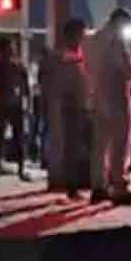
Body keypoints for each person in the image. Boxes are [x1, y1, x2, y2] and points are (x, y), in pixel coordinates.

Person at [85, 8, 131, 205]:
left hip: (97, 96)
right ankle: (120, 187)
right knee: (120, 143)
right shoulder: (116, 40)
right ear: (120, 21)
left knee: (100, 145)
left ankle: (99, 187)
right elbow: (124, 68)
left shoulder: (93, 39)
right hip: (117, 95)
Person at [42, 19, 91, 199]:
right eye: (79, 34)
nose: (81, 38)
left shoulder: (81, 55)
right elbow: (49, 83)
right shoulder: (59, 57)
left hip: (81, 106)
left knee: (76, 147)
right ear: (69, 35)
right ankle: (71, 186)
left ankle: (74, 184)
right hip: (67, 107)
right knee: (70, 147)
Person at [0, 38, 31, 181]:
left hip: (15, 105)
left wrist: (27, 105)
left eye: (12, 48)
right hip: (2, 105)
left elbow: (26, 87)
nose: (11, 51)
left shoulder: (18, 65)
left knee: (18, 138)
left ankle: (20, 167)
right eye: (8, 48)